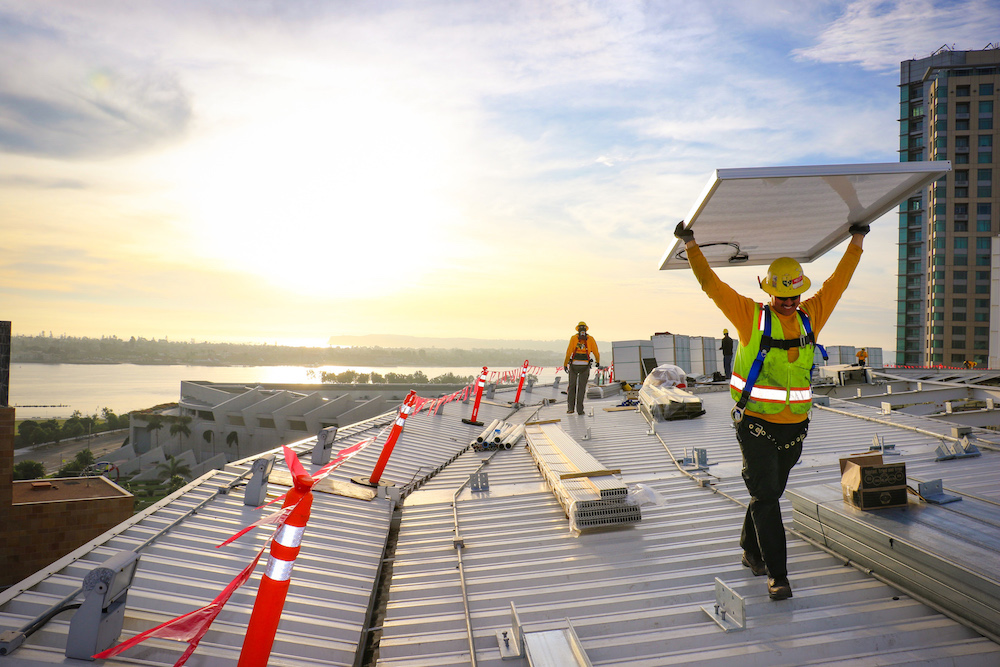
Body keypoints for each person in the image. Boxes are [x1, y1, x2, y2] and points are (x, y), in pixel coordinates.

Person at [674, 219, 867, 601]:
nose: (790, 304)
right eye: (782, 298)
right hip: (756, 425)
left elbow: (838, 282)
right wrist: (691, 244)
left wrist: (857, 240)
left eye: (794, 298)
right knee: (766, 496)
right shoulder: (751, 317)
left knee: (768, 493)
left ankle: (749, 548)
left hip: (795, 430)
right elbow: (713, 287)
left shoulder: (811, 315)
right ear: (769, 293)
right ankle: (777, 575)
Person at [564, 321, 600, 415]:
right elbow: (596, 352)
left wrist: (565, 364)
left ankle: (570, 408)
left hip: (574, 366)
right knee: (582, 388)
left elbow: (569, 352)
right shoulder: (590, 339)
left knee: (572, 386)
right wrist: (597, 361)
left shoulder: (573, 338)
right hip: (585, 366)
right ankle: (580, 410)